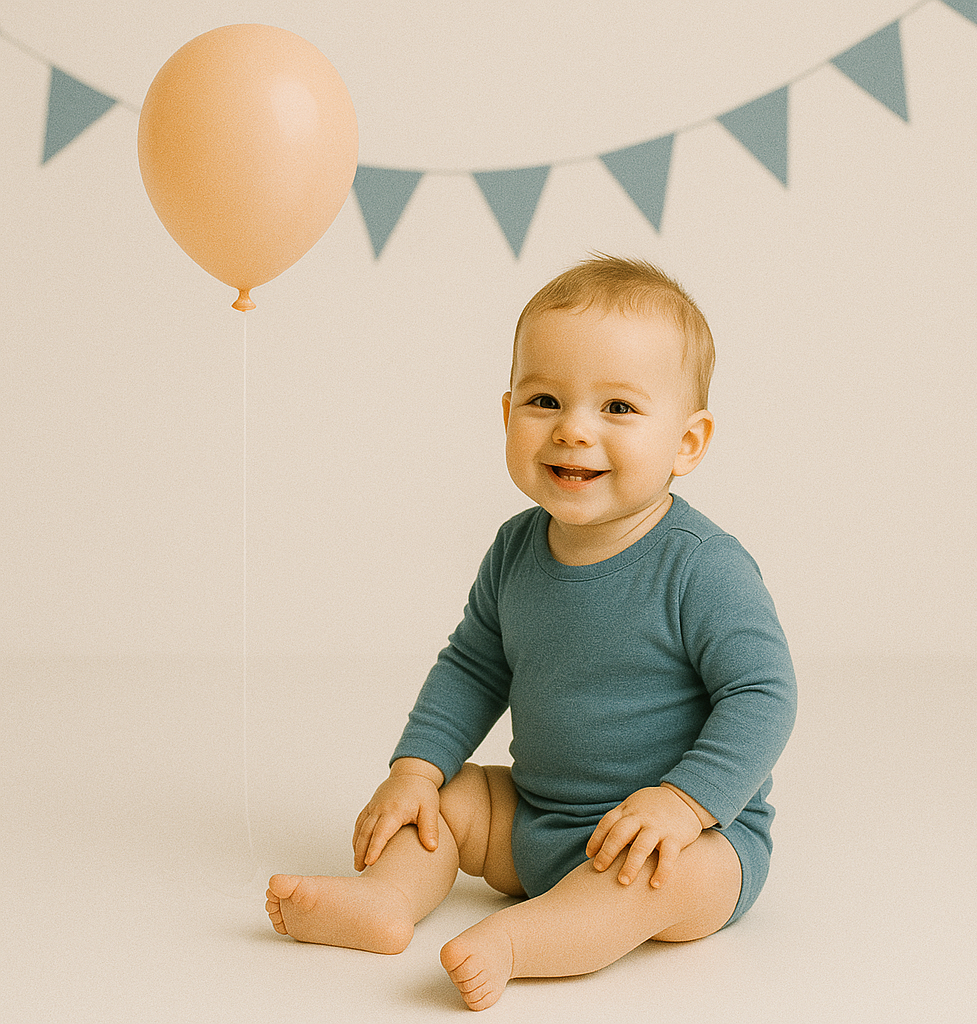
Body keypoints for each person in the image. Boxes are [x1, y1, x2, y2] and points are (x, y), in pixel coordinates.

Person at [266, 255, 797, 1011]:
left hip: (681, 841)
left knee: (659, 879)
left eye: (617, 408)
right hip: (539, 816)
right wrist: (416, 770)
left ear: (687, 442)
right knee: (449, 803)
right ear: (507, 413)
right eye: (545, 399)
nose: (574, 430)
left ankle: (523, 940)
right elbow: (475, 666)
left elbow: (764, 695)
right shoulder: (517, 548)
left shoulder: (701, 568)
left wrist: (683, 803)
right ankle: (385, 901)